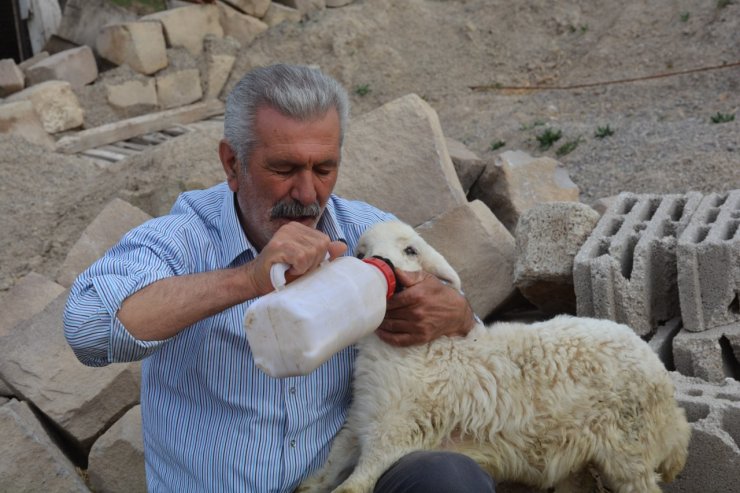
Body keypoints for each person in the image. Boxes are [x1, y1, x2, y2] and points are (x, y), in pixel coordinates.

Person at [64, 64, 495, 492]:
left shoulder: (366, 234)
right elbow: (88, 327)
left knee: (449, 479)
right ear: (233, 164)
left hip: (338, 483)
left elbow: (465, 342)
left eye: (324, 169)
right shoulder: (182, 239)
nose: (308, 195)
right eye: (285, 170)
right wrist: (250, 278)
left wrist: (456, 318)